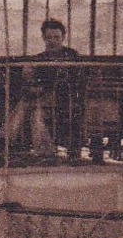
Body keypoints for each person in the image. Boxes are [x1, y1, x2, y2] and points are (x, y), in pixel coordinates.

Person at [29, 18, 84, 157]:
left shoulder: (72, 56)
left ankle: (5, 138)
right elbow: (35, 81)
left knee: (32, 109)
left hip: (66, 99)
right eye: (48, 38)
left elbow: (76, 80)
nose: (52, 41)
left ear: (63, 37)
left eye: (56, 37)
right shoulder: (39, 58)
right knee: (33, 110)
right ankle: (45, 149)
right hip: (44, 99)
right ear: (43, 38)